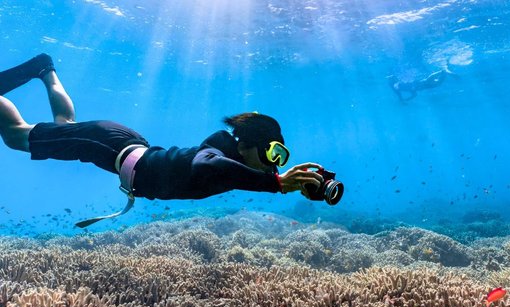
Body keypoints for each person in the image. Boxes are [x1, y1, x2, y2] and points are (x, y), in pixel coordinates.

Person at [0, 54, 324, 227]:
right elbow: (205, 164)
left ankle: (45, 68)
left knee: (65, 125)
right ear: (246, 145)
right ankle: (43, 69)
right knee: (17, 136)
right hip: (108, 145)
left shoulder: (235, 162)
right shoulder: (219, 149)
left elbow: (233, 173)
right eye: (272, 153)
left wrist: (281, 180)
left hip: (121, 144)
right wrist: (277, 183)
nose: (274, 163)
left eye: (280, 156)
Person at [388, 66, 456, 102]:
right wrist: (406, 99)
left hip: (426, 83)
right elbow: (415, 95)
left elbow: (413, 91)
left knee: (431, 79)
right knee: (438, 82)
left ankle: (444, 71)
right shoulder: (410, 89)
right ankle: (445, 70)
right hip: (429, 86)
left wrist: (406, 99)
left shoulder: (408, 85)